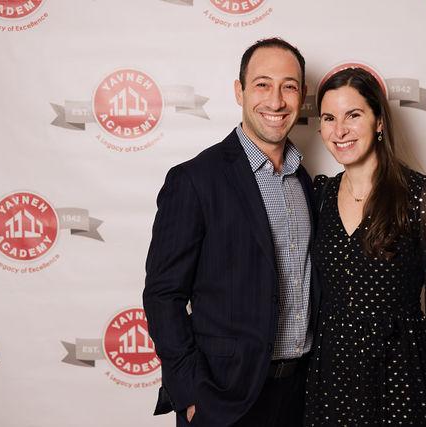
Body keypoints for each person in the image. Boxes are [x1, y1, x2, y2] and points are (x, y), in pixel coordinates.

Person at [143, 38, 320, 427]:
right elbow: (162, 295)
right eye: (262, 84)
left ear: (303, 95)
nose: (276, 101)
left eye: (289, 87)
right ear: (239, 91)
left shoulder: (305, 182)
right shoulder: (195, 180)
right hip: (224, 399)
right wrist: (192, 392)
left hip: (300, 396)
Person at [304, 67, 426, 426]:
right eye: (329, 118)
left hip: (399, 375)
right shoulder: (320, 194)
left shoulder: (422, 196)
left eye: (353, 115)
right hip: (330, 379)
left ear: (379, 121)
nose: (339, 131)